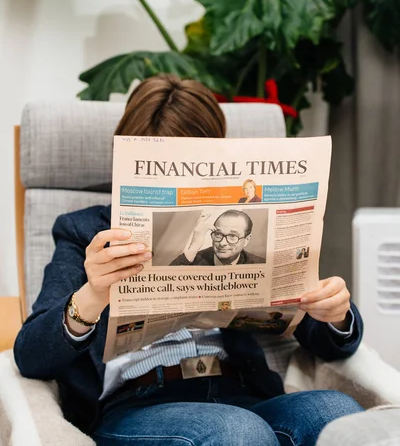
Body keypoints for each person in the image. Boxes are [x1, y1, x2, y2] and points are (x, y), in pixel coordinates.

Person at [14, 75, 364, 446]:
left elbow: (327, 340)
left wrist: (336, 314)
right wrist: (91, 296)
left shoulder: (235, 238)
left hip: (243, 392)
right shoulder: (84, 231)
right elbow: (31, 356)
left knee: (337, 414)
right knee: (237, 433)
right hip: (139, 405)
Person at [170, 209, 266, 265]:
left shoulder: (259, 263)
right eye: (218, 234)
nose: (222, 243)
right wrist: (194, 246)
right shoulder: (194, 260)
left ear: (246, 240)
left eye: (232, 236)